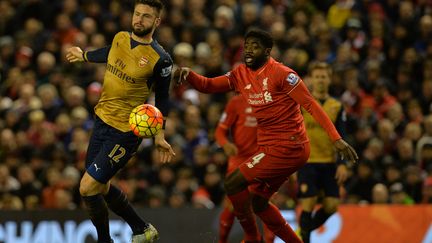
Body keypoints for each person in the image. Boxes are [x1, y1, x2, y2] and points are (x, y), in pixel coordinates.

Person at [174, 29, 358, 243]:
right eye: (247, 45)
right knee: (258, 203)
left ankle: (252, 237)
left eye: (255, 46)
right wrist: (189, 74)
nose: (249, 50)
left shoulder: (283, 74)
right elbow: (208, 85)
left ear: (267, 51)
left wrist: (336, 138)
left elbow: (311, 104)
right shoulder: (240, 74)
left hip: (290, 146)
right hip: (270, 148)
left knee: (233, 183)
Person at [66, 1, 175, 242]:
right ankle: (142, 229)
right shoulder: (120, 37)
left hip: (126, 131)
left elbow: (163, 97)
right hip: (102, 120)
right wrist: (84, 55)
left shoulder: (160, 59)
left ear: (156, 22)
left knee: (87, 187)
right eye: (137, 14)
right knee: (99, 186)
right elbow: (109, 52)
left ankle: (105, 240)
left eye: (146, 16)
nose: (139, 19)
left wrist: (159, 134)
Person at [297, 62, 349, 243]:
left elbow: (342, 136)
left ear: (329, 79)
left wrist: (343, 164)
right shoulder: (301, 103)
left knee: (332, 206)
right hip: (307, 161)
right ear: (311, 79)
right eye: (317, 76)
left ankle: (302, 230)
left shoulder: (337, 106)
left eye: (324, 76)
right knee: (308, 203)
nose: (320, 80)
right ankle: (304, 239)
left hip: (329, 163)